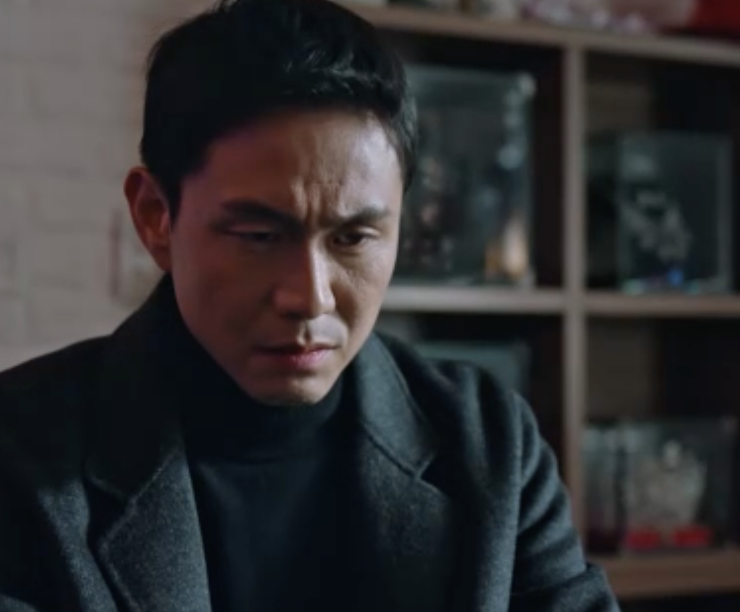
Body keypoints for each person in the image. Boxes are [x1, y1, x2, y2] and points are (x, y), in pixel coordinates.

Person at [0, 1, 619, 610]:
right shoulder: (21, 451)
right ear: (156, 216)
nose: (310, 296)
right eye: (259, 236)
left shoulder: (489, 445)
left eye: (353, 238)